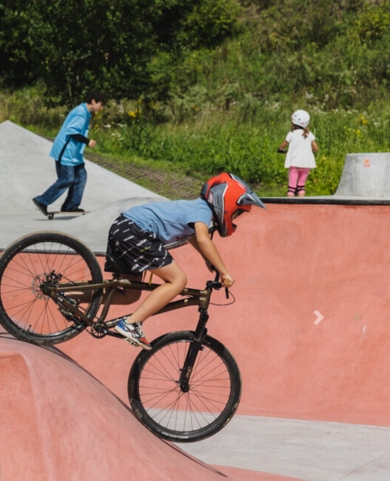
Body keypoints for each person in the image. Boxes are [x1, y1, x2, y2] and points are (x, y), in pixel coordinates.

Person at [104, 173, 265, 349]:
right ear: (227, 203)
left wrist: (207, 260)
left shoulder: (196, 210)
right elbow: (204, 240)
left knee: (130, 295)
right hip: (136, 231)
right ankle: (131, 324)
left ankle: (71, 300)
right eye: (236, 214)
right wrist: (225, 271)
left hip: (125, 227)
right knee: (178, 280)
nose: (234, 219)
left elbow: (192, 236)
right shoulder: (203, 210)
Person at [33, 90, 105, 216]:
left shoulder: (86, 113)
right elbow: (72, 131)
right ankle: (42, 200)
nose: (102, 108)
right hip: (65, 152)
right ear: (93, 101)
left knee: (81, 177)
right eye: (101, 104)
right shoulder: (81, 113)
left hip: (75, 154)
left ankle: (70, 206)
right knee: (67, 179)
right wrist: (87, 141)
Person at [277, 109, 319, 197]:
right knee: (301, 187)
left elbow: (284, 144)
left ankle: (290, 207)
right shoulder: (309, 134)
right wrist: (310, 151)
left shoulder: (291, 133)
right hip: (306, 164)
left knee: (292, 188)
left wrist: (280, 149)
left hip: (294, 163)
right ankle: (301, 206)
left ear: (293, 122)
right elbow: (316, 148)